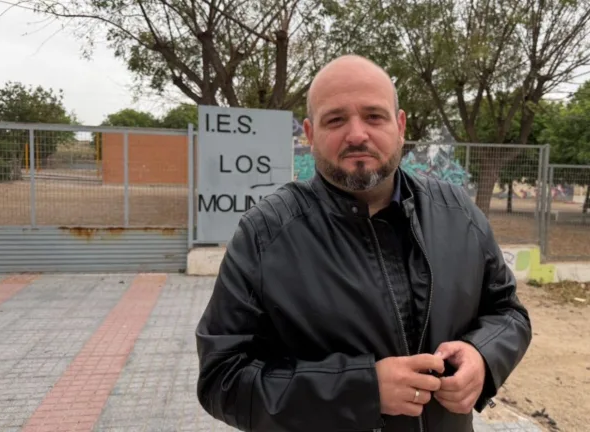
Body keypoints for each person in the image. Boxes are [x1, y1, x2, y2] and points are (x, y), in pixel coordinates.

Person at [196, 54, 532, 432]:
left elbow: (508, 312)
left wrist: (483, 356)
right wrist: (361, 391)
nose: (357, 134)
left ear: (400, 125)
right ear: (309, 134)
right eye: (335, 119)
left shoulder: (458, 212)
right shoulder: (265, 234)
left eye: (374, 116)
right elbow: (221, 379)